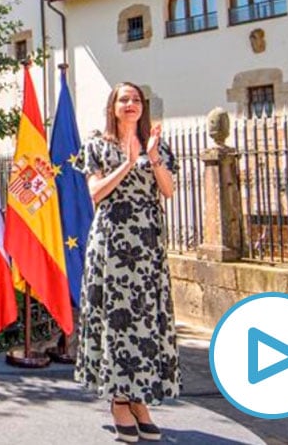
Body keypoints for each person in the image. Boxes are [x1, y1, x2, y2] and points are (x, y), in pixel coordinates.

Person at [75, 82, 178, 443]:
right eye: (124, 99)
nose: (131, 104)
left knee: (146, 320)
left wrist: (152, 157)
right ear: (113, 106)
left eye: (136, 99)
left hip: (148, 244)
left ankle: (139, 398)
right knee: (115, 319)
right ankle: (118, 398)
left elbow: (167, 190)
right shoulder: (97, 145)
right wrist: (129, 164)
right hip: (112, 243)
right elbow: (95, 192)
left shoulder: (159, 146)